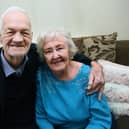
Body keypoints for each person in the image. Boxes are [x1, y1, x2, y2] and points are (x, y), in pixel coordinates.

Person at [0, 6, 105, 129]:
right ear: (1, 37)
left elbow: (68, 56)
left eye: (24, 32)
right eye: (10, 32)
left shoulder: (37, 54)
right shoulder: (41, 64)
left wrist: (95, 65)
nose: (18, 39)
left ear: (31, 36)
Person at [35, 30, 112, 129]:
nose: (55, 56)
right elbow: (41, 117)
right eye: (48, 51)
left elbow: (100, 119)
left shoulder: (89, 75)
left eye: (59, 48)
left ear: (69, 50)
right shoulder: (42, 75)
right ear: (43, 56)